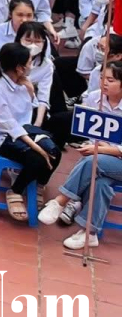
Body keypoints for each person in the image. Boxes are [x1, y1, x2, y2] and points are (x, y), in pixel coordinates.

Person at [0, 41, 60, 224]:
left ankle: (38, 185)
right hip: (3, 137)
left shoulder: (21, 83)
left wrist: (29, 89)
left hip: (24, 130)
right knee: (37, 158)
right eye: (29, 63)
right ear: (19, 68)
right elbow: (9, 125)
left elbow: (29, 112)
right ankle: (16, 190)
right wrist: (37, 147)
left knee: (55, 152)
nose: (31, 66)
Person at [39, 58, 122, 249]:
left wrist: (100, 149)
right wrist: (94, 145)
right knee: (100, 182)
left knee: (95, 161)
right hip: (102, 160)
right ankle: (89, 233)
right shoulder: (94, 98)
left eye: (110, 80)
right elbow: (88, 132)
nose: (104, 83)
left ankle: (62, 200)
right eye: (102, 78)